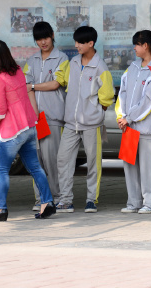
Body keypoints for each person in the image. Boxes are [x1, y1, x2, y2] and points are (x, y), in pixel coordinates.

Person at [0, 40, 56, 222]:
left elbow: (0, 111)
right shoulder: (17, 71)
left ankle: (0, 209)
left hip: (12, 131)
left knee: (0, 169)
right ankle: (47, 203)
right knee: (35, 167)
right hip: (29, 127)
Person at [56, 26, 115, 213]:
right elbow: (62, 81)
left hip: (91, 124)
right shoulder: (72, 62)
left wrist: (96, 111)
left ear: (91, 43)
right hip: (70, 123)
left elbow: (107, 97)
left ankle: (91, 200)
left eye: (80, 42)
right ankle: (66, 200)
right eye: (76, 41)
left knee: (93, 162)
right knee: (63, 159)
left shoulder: (101, 67)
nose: (76, 45)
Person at [115, 30, 151, 214]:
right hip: (129, 126)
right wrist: (121, 116)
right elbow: (122, 93)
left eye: (136, 45)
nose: (134, 48)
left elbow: (149, 101)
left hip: (146, 128)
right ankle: (134, 202)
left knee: (148, 167)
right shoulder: (133, 67)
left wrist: (128, 118)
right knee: (130, 165)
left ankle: (150, 203)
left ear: (146, 46)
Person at [23, 22, 69, 211]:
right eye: (39, 39)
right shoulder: (31, 60)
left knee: (52, 160)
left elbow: (56, 84)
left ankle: (56, 197)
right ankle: (41, 198)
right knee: (37, 161)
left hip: (52, 117)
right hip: (34, 120)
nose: (43, 42)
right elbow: (24, 85)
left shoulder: (62, 58)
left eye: (46, 37)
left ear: (52, 36)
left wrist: (34, 86)